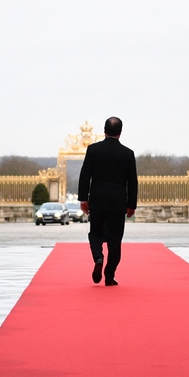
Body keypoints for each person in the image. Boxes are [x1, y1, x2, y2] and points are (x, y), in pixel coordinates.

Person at [78, 116, 138, 286]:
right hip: (118, 203)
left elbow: (85, 176)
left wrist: (83, 199)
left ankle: (98, 257)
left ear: (104, 131)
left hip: (97, 201)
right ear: (120, 132)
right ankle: (109, 275)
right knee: (115, 239)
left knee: (95, 233)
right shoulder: (128, 153)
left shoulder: (93, 150)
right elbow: (132, 182)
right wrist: (131, 205)